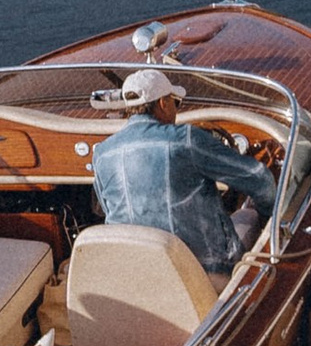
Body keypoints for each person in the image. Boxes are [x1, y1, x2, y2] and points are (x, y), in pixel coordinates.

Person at [89, 65, 276, 280]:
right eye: (175, 102)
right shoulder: (186, 139)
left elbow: (107, 208)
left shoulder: (102, 153)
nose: (176, 109)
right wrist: (267, 214)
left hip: (138, 274)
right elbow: (261, 180)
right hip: (205, 273)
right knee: (249, 214)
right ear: (163, 103)